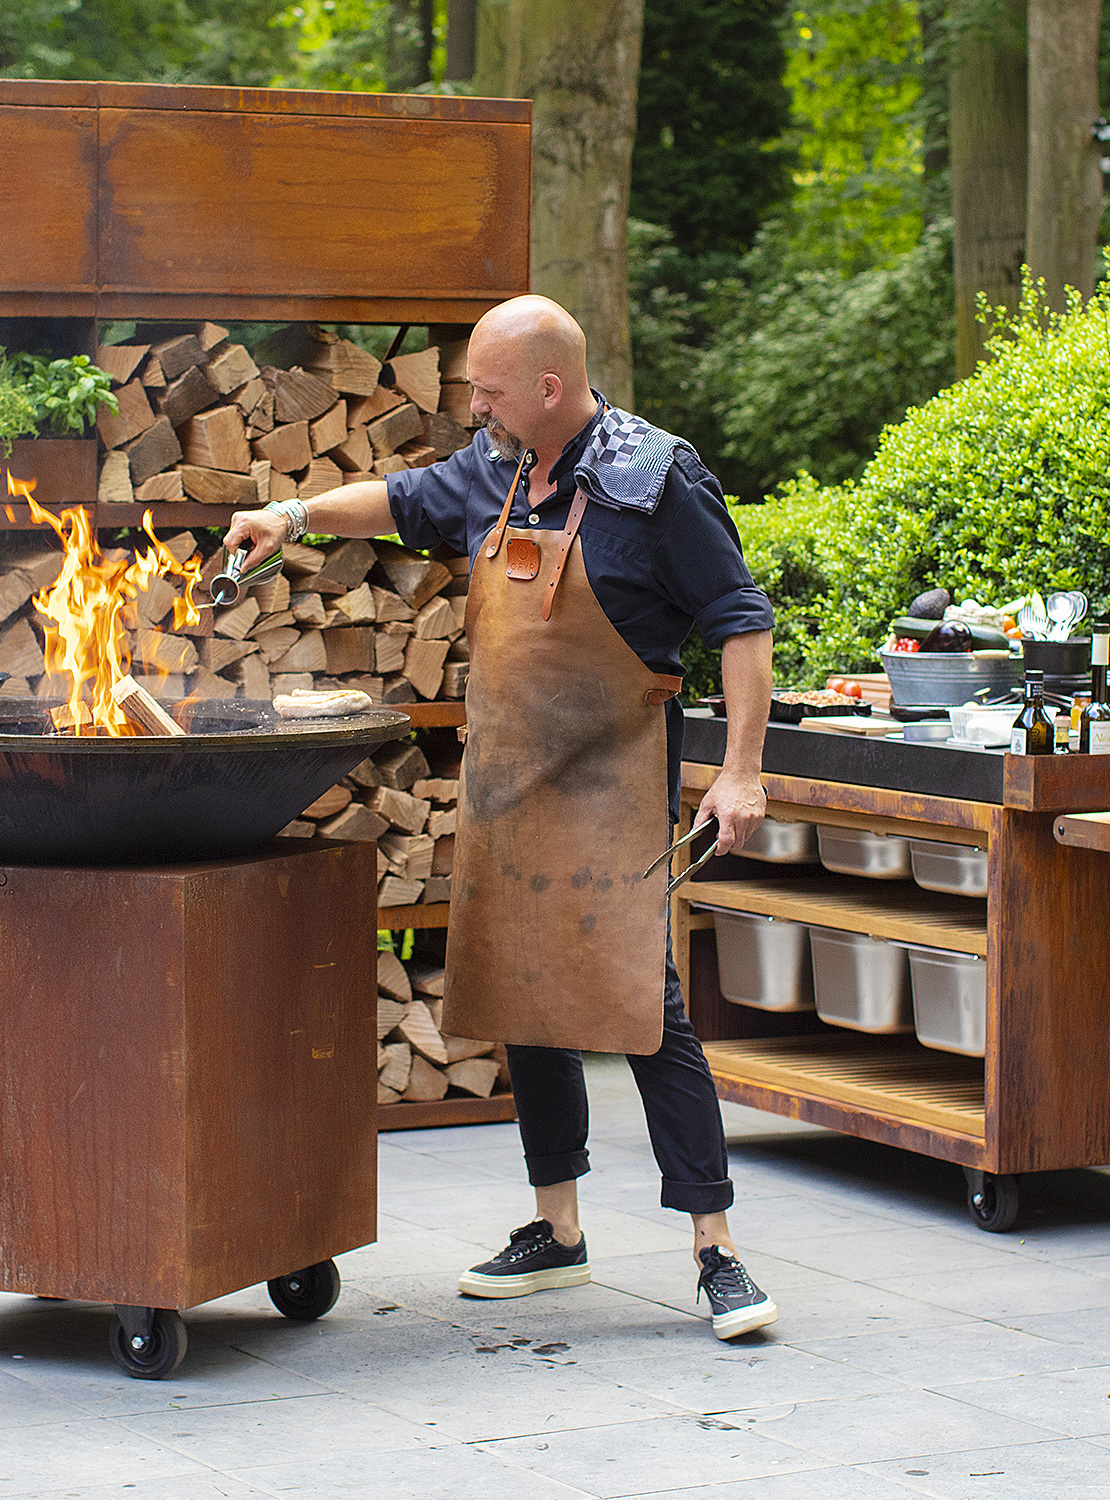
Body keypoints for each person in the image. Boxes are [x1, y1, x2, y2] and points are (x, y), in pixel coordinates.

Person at [226, 296, 779, 1340]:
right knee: (526, 991)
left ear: (549, 388)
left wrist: (740, 770)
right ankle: (557, 1231)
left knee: (641, 1007)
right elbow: (395, 500)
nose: (472, 402)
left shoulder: (656, 480)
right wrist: (290, 518)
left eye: (487, 386)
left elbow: (741, 625)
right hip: (508, 784)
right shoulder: (495, 465)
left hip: (615, 784)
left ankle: (716, 1249)